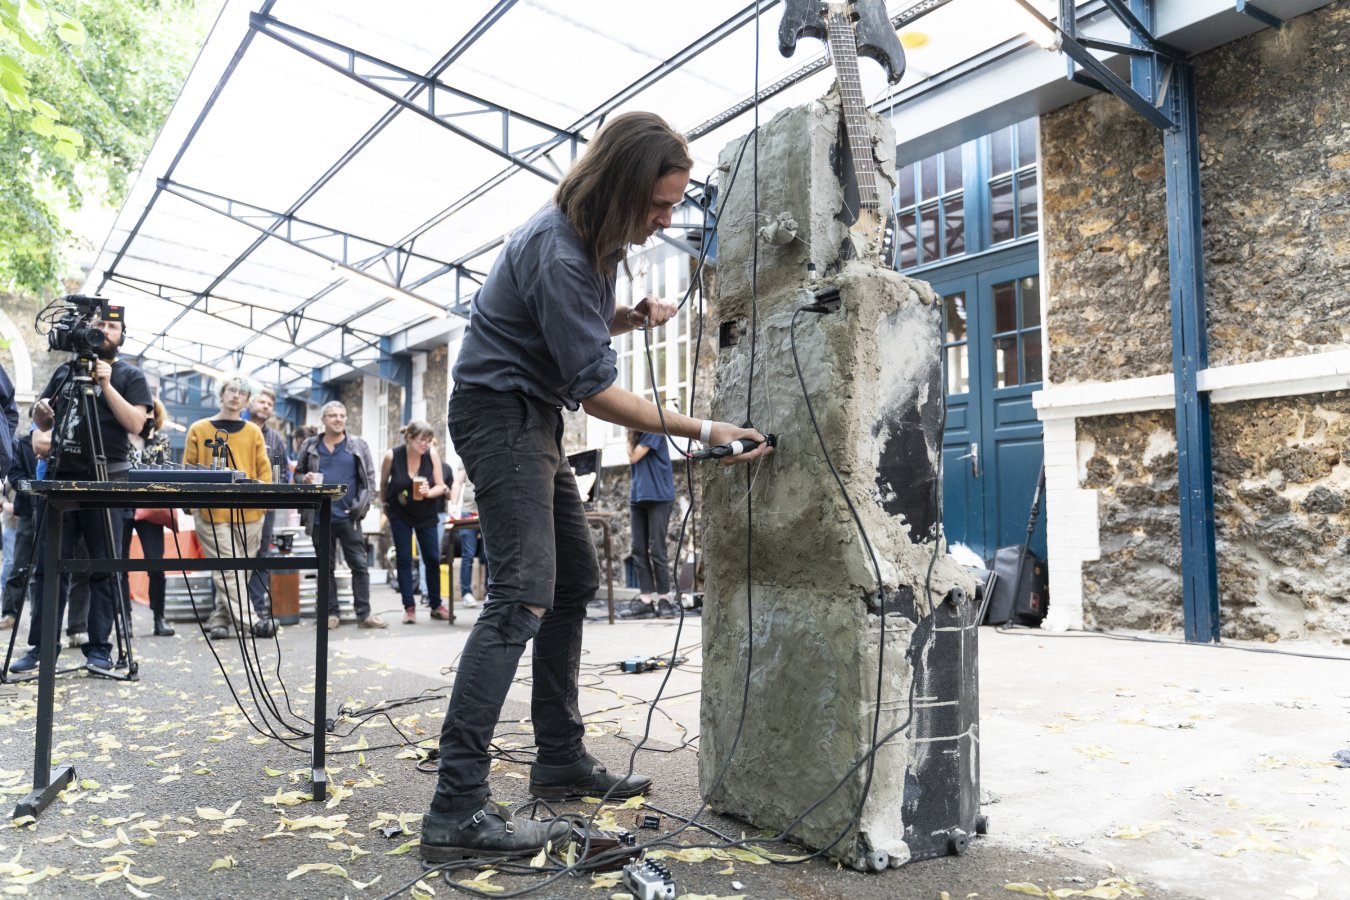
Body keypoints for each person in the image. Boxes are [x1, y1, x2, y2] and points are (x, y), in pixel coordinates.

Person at [421, 111, 770, 864]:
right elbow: (597, 393)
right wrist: (708, 429)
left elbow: (564, 324)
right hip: (500, 414)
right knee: (522, 595)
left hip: (531, 415)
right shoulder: (557, 248)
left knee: (573, 580)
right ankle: (455, 809)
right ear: (620, 186)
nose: (666, 219)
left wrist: (626, 318)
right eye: (659, 204)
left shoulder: (591, 243)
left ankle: (558, 757)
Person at [12, 305, 152, 675]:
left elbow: (137, 424)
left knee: (104, 567)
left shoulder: (130, 375)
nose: (104, 331)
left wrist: (106, 384)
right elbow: (42, 421)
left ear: (122, 335)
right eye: (98, 324)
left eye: (112, 326)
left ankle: (99, 650)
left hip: (108, 479)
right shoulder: (65, 372)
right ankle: (42, 648)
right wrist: (41, 413)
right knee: (48, 569)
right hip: (61, 476)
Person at [183, 375, 272, 639]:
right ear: (221, 394)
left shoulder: (253, 431)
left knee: (239, 570)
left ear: (247, 400)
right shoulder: (199, 429)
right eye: (231, 390)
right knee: (228, 568)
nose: (235, 395)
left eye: (242, 392)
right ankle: (252, 622)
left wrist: (264, 503)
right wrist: (192, 505)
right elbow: (188, 470)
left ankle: (220, 618)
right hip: (211, 511)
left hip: (251, 512)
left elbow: (264, 471)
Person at [295, 401, 384, 630]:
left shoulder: (357, 446)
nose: (338, 419)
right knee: (325, 568)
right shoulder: (310, 446)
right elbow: (298, 475)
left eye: (342, 415)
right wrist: (304, 479)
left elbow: (369, 481)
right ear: (323, 420)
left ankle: (364, 614)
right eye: (333, 415)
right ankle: (330, 614)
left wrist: (359, 509)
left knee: (359, 566)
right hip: (319, 517)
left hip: (349, 517)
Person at [380, 421, 451, 624]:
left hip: (426, 512)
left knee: (432, 558)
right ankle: (409, 608)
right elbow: (383, 484)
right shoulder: (392, 456)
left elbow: (441, 486)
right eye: (422, 440)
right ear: (409, 438)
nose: (426, 444)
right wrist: (384, 505)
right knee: (403, 558)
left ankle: (436, 604)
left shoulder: (431, 454)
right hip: (400, 512)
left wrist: (429, 492)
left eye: (429, 440)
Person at [122, 399, 176, 637]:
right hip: (121, 505)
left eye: (150, 412)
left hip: (150, 508)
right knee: (119, 564)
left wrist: (150, 436)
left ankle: (159, 617)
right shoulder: (118, 439)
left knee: (156, 564)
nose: (145, 415)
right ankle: (125, 619)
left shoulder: (160, 440)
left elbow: (161, 469)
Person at [245, 385, 290, 620]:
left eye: (270, 404)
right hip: (237, 506)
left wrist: (276, 497)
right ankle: (229, 610)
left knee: (261, 556)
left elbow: (283, 473)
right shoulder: (237, 431)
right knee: (232, 556)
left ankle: (257, 609)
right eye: (261, 401)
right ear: (250, 403)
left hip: (265, 508)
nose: (266, 406)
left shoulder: (275, 438)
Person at [626, 430, 676, 618]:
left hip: (659, 497)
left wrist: (627, 435)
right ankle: (646, 600)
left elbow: (633, 456)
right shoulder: (636, 436)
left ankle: (664, 599)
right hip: (637, 497)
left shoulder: (653, 430)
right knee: (638, 549)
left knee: (657, 549)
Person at [448, 463, 485, 608]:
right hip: (468, 511)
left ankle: (491, 592)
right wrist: (453, 504)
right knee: (468, 554)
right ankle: (466, 593)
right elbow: (457, 482)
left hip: (488, 510)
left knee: (490, 555)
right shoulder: (467, 454)